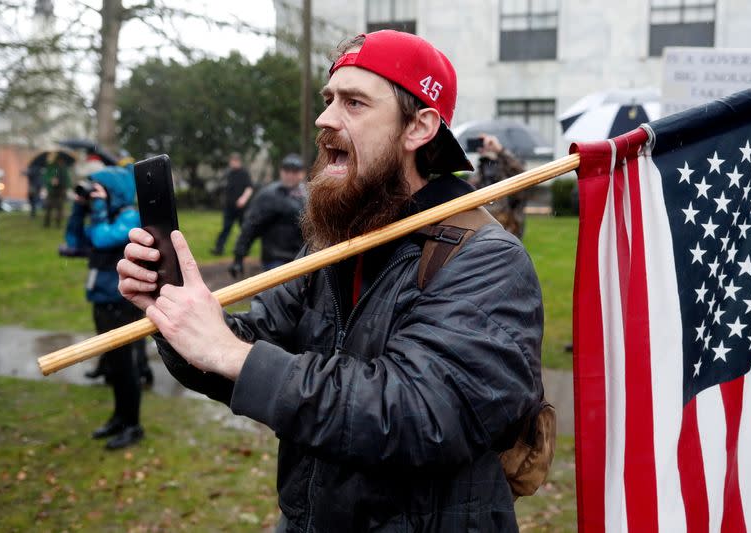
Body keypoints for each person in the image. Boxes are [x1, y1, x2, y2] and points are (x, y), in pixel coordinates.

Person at [118, 30, 543, 531]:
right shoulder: (335, 240)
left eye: (354, 102)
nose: (324, 119)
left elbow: (419, 413)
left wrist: (233, 355)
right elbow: (252, 343)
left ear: (419, 127)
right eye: (328, 100)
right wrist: (173, 309)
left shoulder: (487, 259)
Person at [61, 165, 145, 450]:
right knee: (114, 366)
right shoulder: (104, 216)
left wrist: (97, 208)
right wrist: (78, 209)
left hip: (121, 303)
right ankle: (119, 418)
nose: (96, 194)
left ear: (113, 191)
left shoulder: (129, 216)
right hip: (101, 301)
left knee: (126, 366)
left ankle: (133, 425)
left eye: (101, 189)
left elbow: (101, 238)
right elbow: (74, 240)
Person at [228, 153, 307, 278]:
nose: (290, 175)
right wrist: (239, 257)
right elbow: (251, 226)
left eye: (295, 171)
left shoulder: (308, 196)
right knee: (277, 296)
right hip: (276, 260)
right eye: (287, 171)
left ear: (302, 173)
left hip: (304, 259)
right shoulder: (269, 196)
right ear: (281, 172)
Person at [470, 134, 528, 239]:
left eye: (491, 163)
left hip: (507, 230)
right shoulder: (479, 177)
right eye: (485, 163)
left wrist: (499, 150)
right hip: (482, 231)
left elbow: (523, 175)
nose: (489, 168)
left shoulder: (509, 179)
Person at [210, 152, 253, 256]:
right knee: (226, 228)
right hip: (229, 207)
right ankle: (219, 248)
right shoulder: (228, 174)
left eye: (235, 161)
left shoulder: (244, 173)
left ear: (239, 161)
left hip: (242, 208)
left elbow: (249, 188)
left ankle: (243, 250)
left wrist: (243, 199)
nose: (233, 163)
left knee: (244, 229)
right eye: (231, 161)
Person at [43, 154, 71, 228]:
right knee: (49, 207)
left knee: (59, 208)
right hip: (52, 191)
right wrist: (51, 180)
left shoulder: (64, 169)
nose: (61, 162)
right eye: (60, 160)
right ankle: (46, 223)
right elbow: (45, 177)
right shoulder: (51, 167)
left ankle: (58, 224)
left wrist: (66, 187)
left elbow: (68, 180)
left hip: (61, 191)